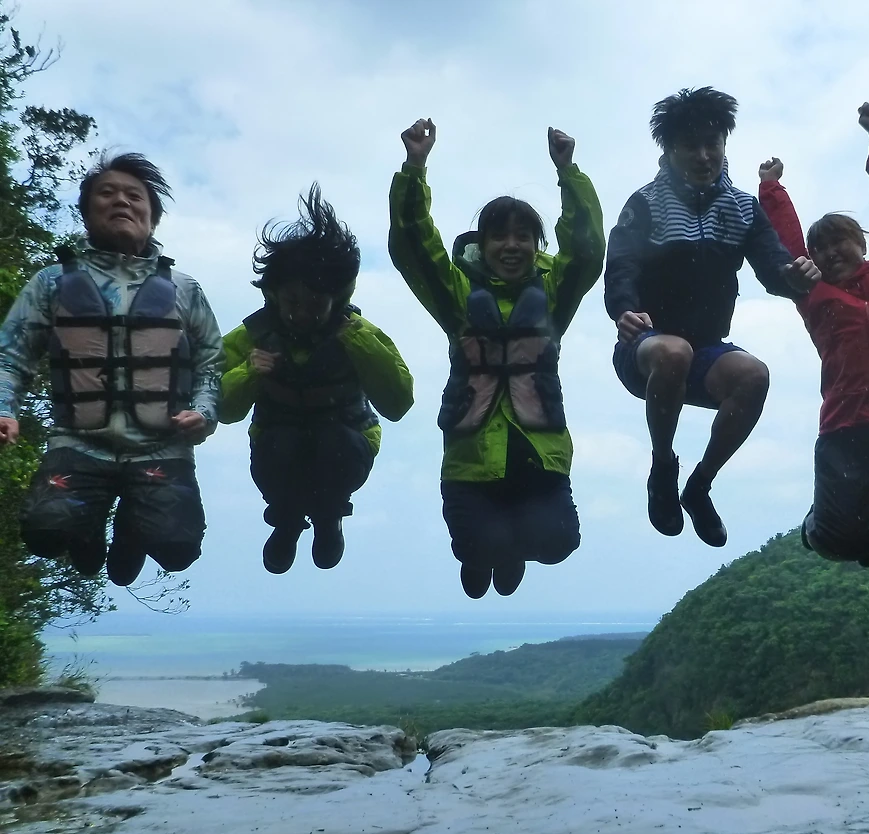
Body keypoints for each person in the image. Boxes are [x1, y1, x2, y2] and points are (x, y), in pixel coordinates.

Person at [389, 118, 604, 599]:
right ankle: (486, 551)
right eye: (499, 237)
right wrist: (414, 168)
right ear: (481, 245)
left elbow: (586, 252)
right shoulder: (459, 297)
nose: (511, 246)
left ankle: (505, 551)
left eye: (523, 236)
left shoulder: (552, 297)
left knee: (558, 541)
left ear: (536, 245)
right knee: (481, 544)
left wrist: (568, 173)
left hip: (539, 457)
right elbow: (414, 247)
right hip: (471, 463)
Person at [605, 87, 820, 547]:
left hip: (705, 350)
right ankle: (663, 467)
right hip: (645, 347)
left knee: (753, 375)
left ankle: (699, 486)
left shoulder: (741, 207)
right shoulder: (646, 204)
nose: (704, 156)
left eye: (712, 144)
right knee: (674, 352)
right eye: (690, 146)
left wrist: (794, 276)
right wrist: (624, 311)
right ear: (670, 150)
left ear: (725, 144)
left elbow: (774, 265)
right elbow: (621, 266)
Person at [0, 153, 221, 587]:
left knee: (178, 548)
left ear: (152, 219)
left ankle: (132, 529)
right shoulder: (51, 283)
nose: (121, 200)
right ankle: (86, 529)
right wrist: (5, 409)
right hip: (79, 443)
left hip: (160, 447)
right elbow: (11, 354)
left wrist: (204, 413)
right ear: (86, 213)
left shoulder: (185, 289)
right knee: (45, 533)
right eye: (107, 193)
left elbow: (210, 361)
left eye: (134, 196)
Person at [758, 103, 869, 567]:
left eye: (839, 240)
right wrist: (771, 188)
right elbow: (787, 245)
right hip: (846, 427)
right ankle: (818, 522)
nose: (829, 251)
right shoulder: (813, 293)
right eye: (819, 247)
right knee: (836, 542)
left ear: (862, 243)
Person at [220, 186, 414, 573]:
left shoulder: (359, 333)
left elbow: (398, 403)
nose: (301, 314)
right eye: (293, 301)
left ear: (335, 299)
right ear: (275, 294)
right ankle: (287, 520)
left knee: (332, 439)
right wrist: (249, 372)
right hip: (277, 452)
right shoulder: (253, 336)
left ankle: (330, 517)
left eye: (315, 304)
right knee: (282, 442)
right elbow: (220, 409)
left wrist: (358, 343)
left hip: (345, 449)